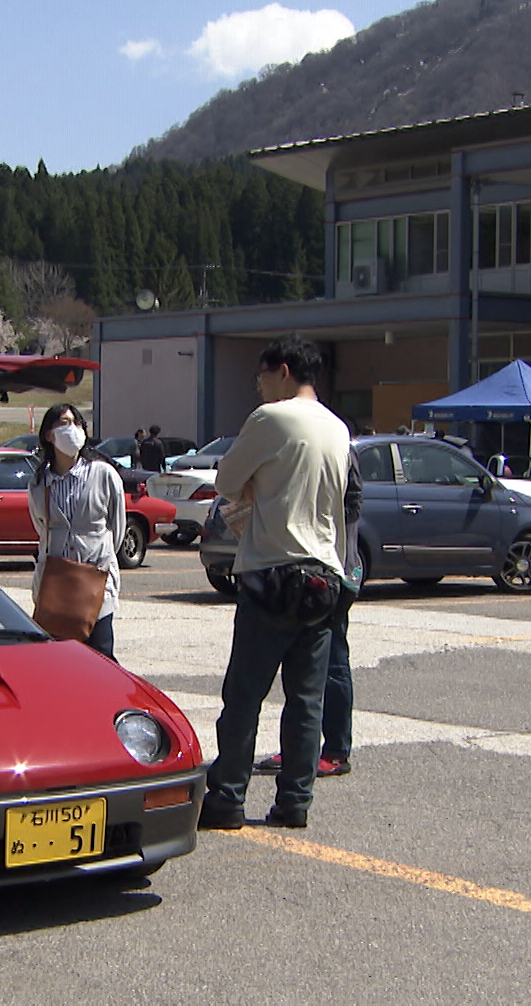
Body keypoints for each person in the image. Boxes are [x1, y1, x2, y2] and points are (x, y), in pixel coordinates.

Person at [198, 334, 351, 832]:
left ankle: (227, 797)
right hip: (324, 576)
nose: (259, 387)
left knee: (244, 696)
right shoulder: (339, 428)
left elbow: (225, 480)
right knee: (306, 700)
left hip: (271, 570)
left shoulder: (271, 419)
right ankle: (294, 802)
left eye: (261, 377)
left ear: (282, 371)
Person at [254, 452, 364, 780]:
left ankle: (335, 751)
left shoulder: (338, 446)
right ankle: (299, 748)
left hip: (334, 573)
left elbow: (350, 506)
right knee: (300, 668)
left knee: (332, 663)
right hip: (303, 571)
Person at [27, 403, 126, 659]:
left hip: (95, 581)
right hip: (56, 586)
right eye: (64, 423)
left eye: (77, 423)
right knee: (61, 659)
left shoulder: (103, 474)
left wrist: (96, 554)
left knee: (102, 655)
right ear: (49, 434)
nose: (73, 429)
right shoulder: (40, 482)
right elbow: (42, 527)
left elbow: (117, 527)